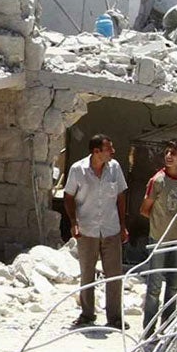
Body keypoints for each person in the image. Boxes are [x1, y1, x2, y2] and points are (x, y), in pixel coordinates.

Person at [63, 134, 128, 328]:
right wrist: (73, 222)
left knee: (114, 274)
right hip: (87, 229)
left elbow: (121, 197)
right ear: (96, 151)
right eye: (109, 148)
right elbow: (68, 197)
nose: (113, 152)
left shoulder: (115, 168)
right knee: (87, 274)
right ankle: (87, 314)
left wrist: (123, 226)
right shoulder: (78, 170)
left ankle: (115, 317)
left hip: (111, 228)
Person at [138, 142, 177, 335]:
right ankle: (149, 329)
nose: (169, 156)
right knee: (154, 285)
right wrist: (159, 223)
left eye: (174, 153)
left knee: (173, 285)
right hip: (159, 240)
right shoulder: (158, 181)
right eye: (167, 153)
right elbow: (145, 209)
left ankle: (166, 327)